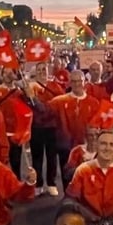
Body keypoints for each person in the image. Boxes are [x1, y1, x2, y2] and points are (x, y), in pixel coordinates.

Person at [46, 68, 103, 192]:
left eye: (80, 81)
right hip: (65, 146)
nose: (77, 84)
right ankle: (68, 201)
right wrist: (31, 98)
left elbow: (98, 126)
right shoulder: (60, 100)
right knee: (68, 177)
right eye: (74, 81)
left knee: (87, 177)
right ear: (70, 83)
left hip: (86, 148)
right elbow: (44, 110)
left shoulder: (94, 103)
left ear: (84, 82)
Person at [0, 68, 35, 178]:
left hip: (15, 133)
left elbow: (29, 107)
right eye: (5, 72)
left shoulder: (20, 92)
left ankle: (15, 185)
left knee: (16, 162)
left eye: (11, 72)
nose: (8, 75)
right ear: (1, 75)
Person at [27, 61, 65, 196]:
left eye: (44, 70)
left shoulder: (55, 86)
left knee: (51, 157)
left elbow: (60, 101)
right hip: (36, 127)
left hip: (52, 127)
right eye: (39, 70)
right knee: (37, 157)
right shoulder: (30, 87)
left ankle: (51, 183)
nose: (42, 72)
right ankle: (38, 184)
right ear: (35, 72)